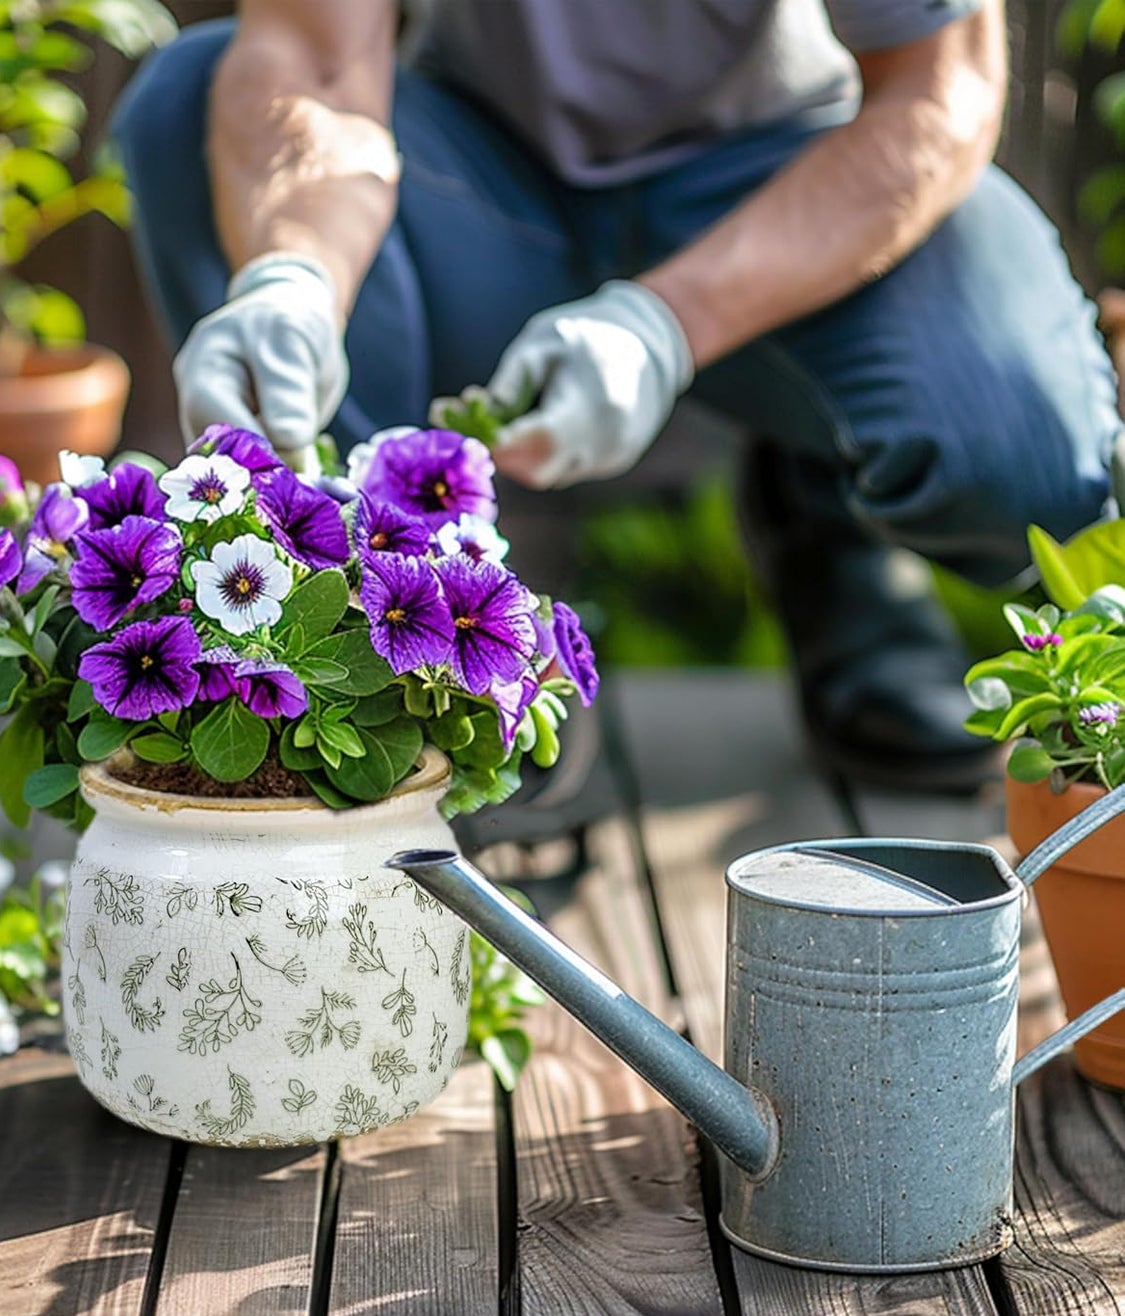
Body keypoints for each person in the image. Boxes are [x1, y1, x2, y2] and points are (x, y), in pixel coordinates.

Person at [112, 0, 1122, 801]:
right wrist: (292, 272)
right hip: (485, 186)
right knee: (184, 101)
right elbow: (316, 57)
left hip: (794, 183)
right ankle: (405, 668)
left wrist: (666, 320)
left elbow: (937, 93)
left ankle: (822, 509)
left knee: (1025, 458)